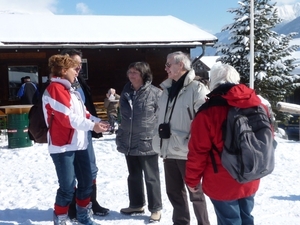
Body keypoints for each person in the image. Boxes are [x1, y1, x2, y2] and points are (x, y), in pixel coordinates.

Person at [185, 63, 261, 225]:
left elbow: (198, 151)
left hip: (221, 178)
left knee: (229, 220)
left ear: (213, 81)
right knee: (247, 217)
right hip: (251, 173)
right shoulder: (256, 104)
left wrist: (192, 180)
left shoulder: (208, 111)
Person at [43, 54, 108, 225]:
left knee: (86, 182)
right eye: (74, 68)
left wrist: (97, 121)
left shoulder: (71, 90)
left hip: (79, 144)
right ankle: (61, 218)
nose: (77, 72)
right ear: (64, 71)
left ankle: (83, 216)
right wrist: (91, 126)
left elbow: (83, 114)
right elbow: (67, 118)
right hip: (62, 146)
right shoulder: (55, 89)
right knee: (67, 188)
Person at [152, 51, 210, 225]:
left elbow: (203, 122)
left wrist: (191, 143)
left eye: (169, 64)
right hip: (168, 150)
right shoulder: (166, 90)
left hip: (187, 152)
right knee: (174, 193)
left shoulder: (197, 89)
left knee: (195, 194)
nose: (166, 68)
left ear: (181, 65)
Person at [60, 48, 110, 219]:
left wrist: (98, 122)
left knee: (91, 169)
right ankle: (73, 206)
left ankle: (90, 202)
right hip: (69, 135)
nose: (79, 67)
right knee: (73, 172)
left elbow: (85, 110)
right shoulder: (60, 86)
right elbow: (68, 115)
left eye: (80, 64)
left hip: (85, 132)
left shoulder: (79, 82)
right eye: (75, 64)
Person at [116, 62, 163, 222]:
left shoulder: (155, 93)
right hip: (128, 140)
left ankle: (155, 208)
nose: (131, 75)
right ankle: (136, 204)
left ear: (144, 74)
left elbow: (162, 116)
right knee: (133, 176)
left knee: (151, 177)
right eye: (130, 72)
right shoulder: (126, 91)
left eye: (135, 72)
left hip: (147, 141)